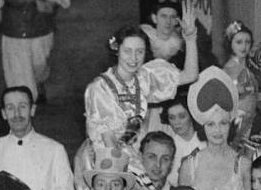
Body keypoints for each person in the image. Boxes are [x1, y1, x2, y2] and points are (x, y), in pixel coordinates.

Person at [81, 18, 199, 155]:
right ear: (117, 50)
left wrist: (190, 38)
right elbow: (109, 141)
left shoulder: (144, 78)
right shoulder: (100, 88)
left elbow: (190, 75)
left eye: (139, 52)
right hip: (107, 159)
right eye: (127, 51)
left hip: (135, 154)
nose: (133, 58)